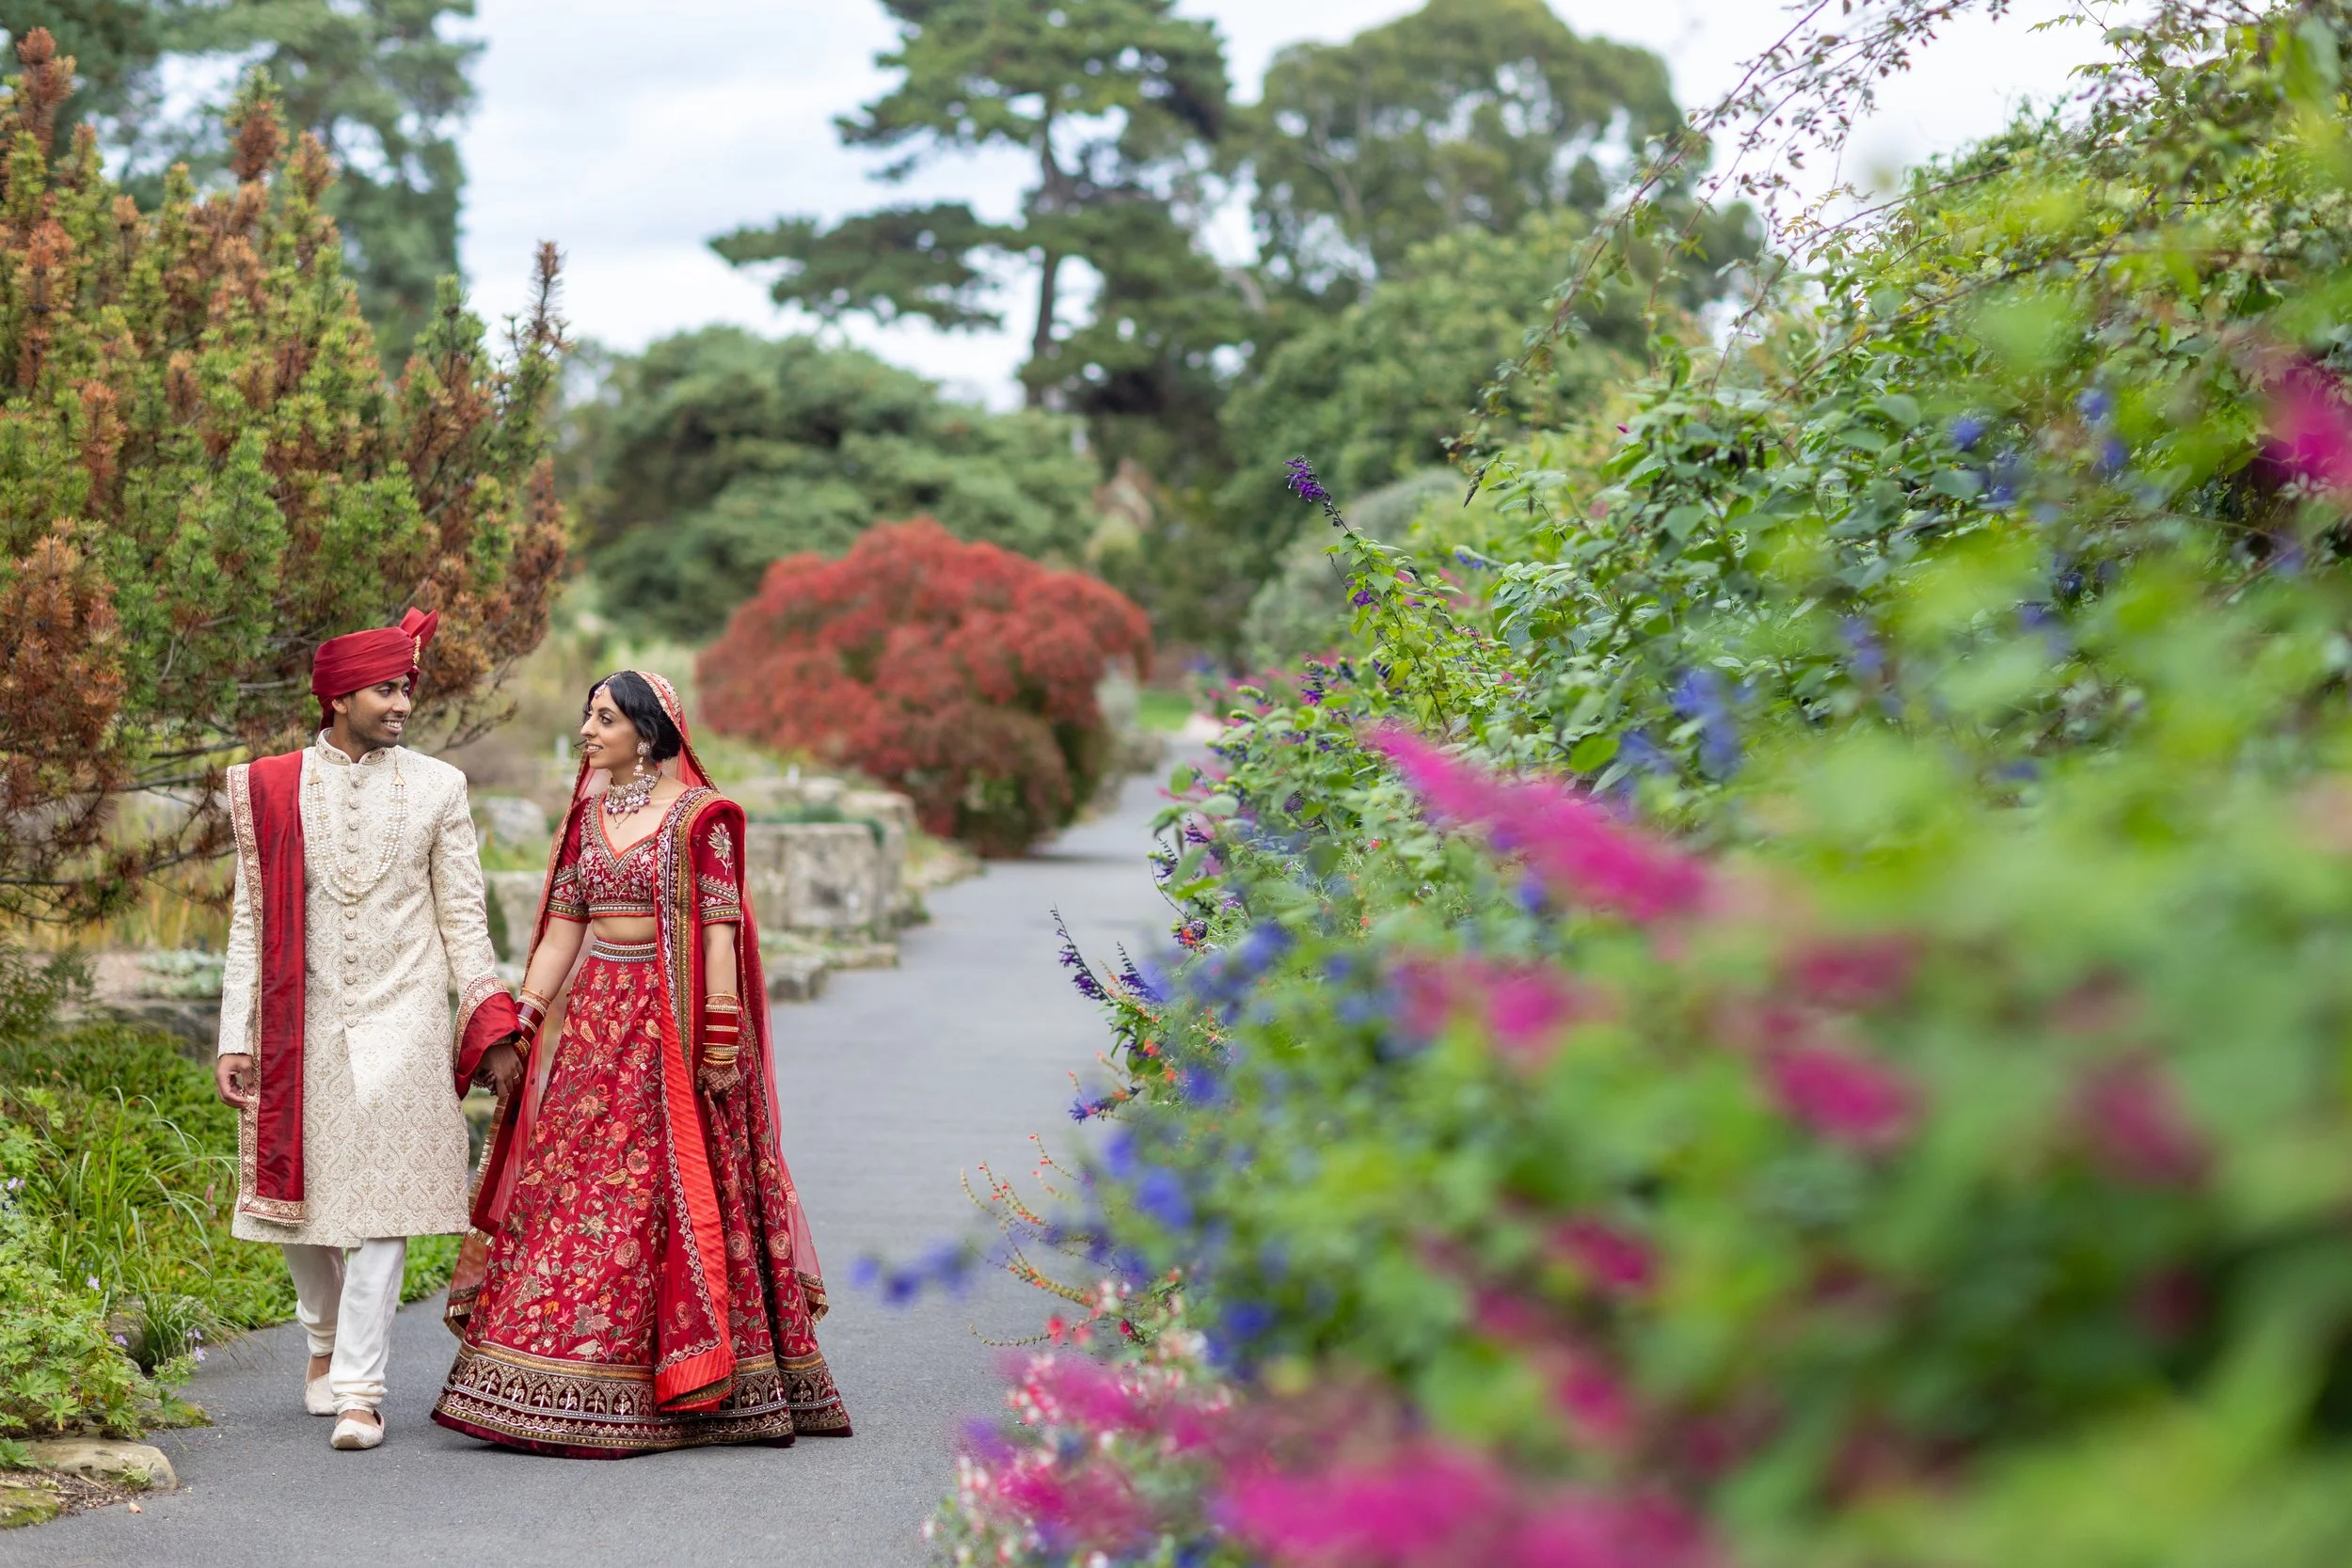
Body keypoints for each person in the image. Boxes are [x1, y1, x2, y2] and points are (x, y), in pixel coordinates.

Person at [433, 671, 850, 1457]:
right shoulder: (586, 821)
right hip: (596, 1026)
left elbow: (720, 929)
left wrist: (719, 1038)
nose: (588, 730)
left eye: (604, 718)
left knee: (660, 1196)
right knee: (571, 1191)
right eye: (587, 716)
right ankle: (552, 1371)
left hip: (679, 1028)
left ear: (649, 734)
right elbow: (563, 929)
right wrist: (523, 1019)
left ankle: (685, 1380)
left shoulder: (701, 821)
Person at [215, 609, 525, 1453]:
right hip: (300, 1014)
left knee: (383, 1201)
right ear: (338, 694)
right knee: (302, 1204)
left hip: (407, 1009)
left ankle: (360, 1389)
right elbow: (251, 918)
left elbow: (464, 915)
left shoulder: (437, 786)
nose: (401, 704)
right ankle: (321, 1336)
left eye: (406, 688)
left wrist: (489, 1015)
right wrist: (232, 1031)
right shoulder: (269, 785)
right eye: (387, 689)